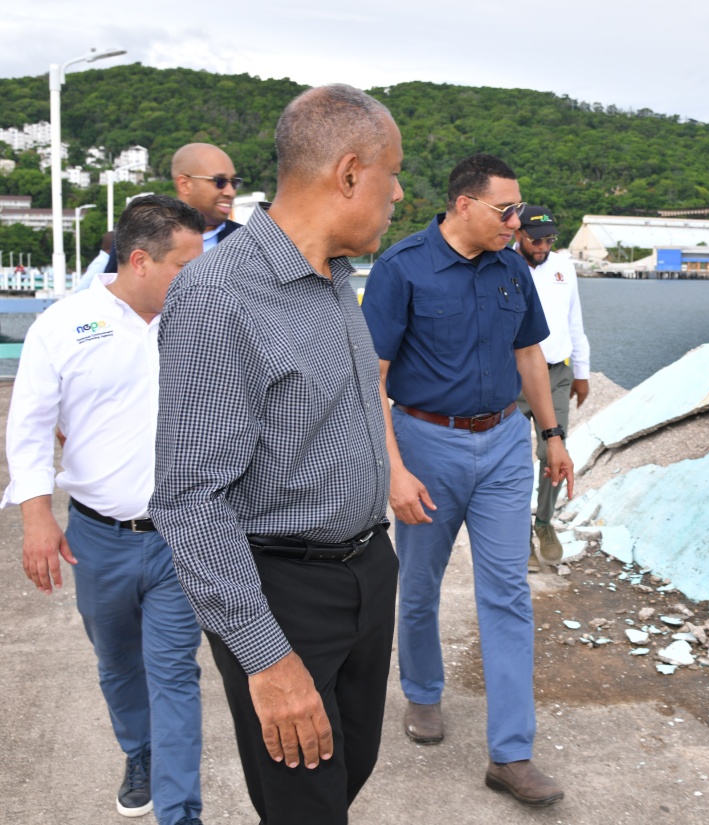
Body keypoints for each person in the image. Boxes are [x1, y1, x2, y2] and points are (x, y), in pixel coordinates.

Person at [148, 84, 403, 825]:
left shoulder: (335, 281)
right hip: (284, 591)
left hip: (367, 568)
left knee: (348, 769)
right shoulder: (222, 295)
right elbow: (190, 501)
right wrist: (264, 656)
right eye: (392, 175)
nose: (398, 194)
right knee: (306, 804)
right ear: (350, 173)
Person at [362, 153, 573, 808]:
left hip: (506, 441)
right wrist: (393, 468)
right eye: (505, 210)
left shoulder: (512, 265)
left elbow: (529, 351)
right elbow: (372, 378)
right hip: (427, 442)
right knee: (419, 582)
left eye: (519, 209)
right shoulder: (403, 268)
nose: (518, 221)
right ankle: (423, 694)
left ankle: (511, 752)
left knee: (508, 590)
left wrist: (551, 433)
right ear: (463, 205)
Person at [3, 195, 207, 825]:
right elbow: (31, 425)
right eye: (185, 266)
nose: (197, 279)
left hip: (182, 535)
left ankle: (181, 813)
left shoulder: (201, 319)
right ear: (139, 260)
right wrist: (37, 517)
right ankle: (138, 751)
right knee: (117, 664)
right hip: (98, 538)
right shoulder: (64, 324)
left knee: (174, 672)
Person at [513, 206, 591, 570]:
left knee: (553, 455)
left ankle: (544, 522)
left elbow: (574, 320)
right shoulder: (502, 265)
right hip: (512, 378)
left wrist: (582, 372)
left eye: (549, 239)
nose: (543, 245)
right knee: (512, 462)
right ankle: (520, 535)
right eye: (536, 239)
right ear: (518, 235)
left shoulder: (564, 268)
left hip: (557, 374)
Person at [104, 143, 244, 274]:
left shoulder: (248, 243)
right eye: (220, 182)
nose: (230, 192)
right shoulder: (136, 235)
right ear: (185, 184)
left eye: (234, 182)